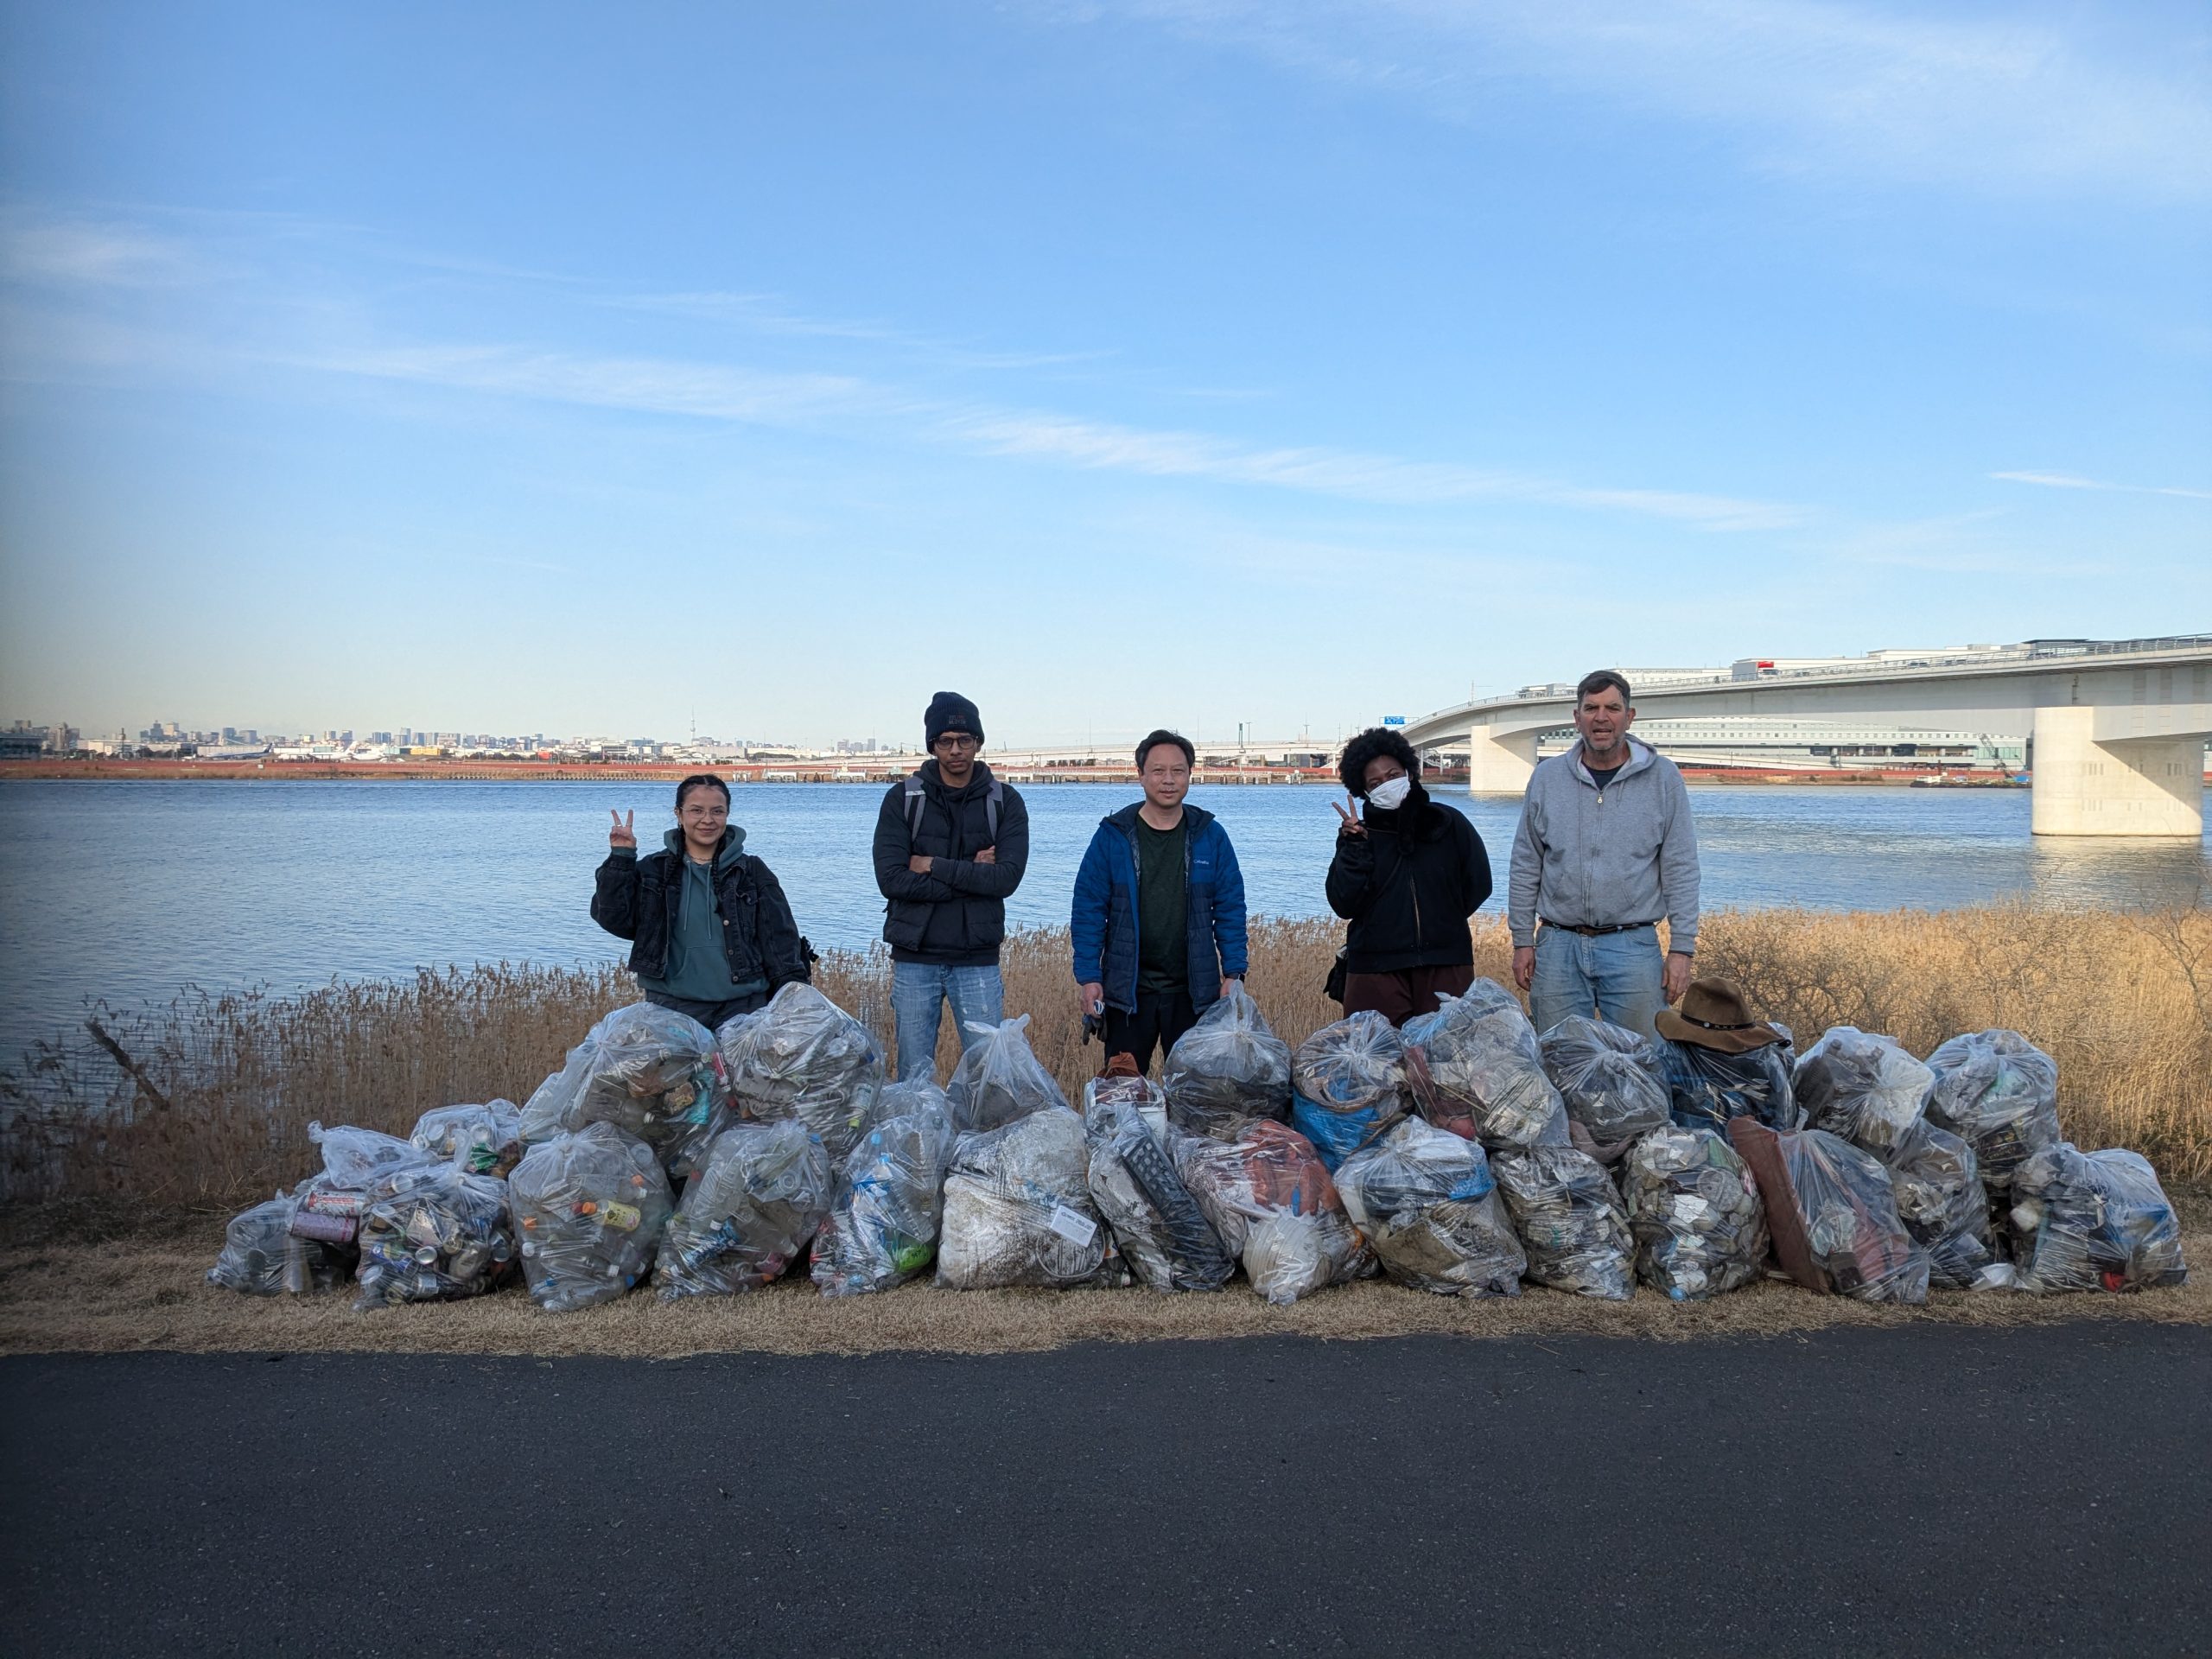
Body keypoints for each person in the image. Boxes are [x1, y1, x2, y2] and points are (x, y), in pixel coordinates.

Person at [1508, 670, 1700, 1039]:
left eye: (1613, 708)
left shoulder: (1663, 778)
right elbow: (1525, 863)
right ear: (1576, 717)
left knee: (1642, 1064)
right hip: (1557, 946)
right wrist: (1522, 941)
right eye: (1591, 708)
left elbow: (1681, 867)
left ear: (1629, 716)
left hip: (1633, 947)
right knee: (1561, 1060)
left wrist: (1682, 949)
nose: (1601, 717)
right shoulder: (1547, 778)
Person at [872, 691, 1030, 1082]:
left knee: (988, 1075)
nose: (956, 750)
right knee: (912, 1075)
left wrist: (932, 865)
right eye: (945, 741)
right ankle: (918, 1142)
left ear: (978, 743)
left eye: (965, 740)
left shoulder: (1004, 802)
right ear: (932, 745)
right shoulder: (903, 799)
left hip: (977, 958)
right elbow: (890, 879)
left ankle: (980, 1143)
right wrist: (971, 875)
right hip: (914, 957)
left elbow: (1006, 879)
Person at [1071, 729, 1249, 1073]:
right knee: (1121, 1092)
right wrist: (1089, 977)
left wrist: (1234, 972)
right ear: (1140, 775)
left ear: (1190, 775)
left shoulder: (1210, 835)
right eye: (1158, 771)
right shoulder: (1113, 836)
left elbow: (1230, 907)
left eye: (1178, 771)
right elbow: (1088, 910)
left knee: (1194, 1093)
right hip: (1126, 992)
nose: (1168, 780)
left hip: (1194, 993)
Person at [592, 773, 811, 1030]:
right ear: (678, 813)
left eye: (717, 811)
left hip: (746, 1010)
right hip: (670, 1009)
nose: (707, 820)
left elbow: (781, 940)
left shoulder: (751, 871)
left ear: (727, 814)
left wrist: (796, 1000)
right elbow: (614, 919)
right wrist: (621, 857)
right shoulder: (654, 870)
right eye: (696, 810)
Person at [1325, 726, 1494, 1027]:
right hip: (1374, 966)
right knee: (1377, 1065)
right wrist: (1354, 847)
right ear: (1364, 791)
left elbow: (1479, 882)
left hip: (1446, 961)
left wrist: (1442, 919)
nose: (1386, 784)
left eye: (1392, 775)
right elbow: (1343, 904)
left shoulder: (1448, 821)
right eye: (1374, 782)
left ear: (1409, 772)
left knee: (1445, 1061)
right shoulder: (1359, 835)